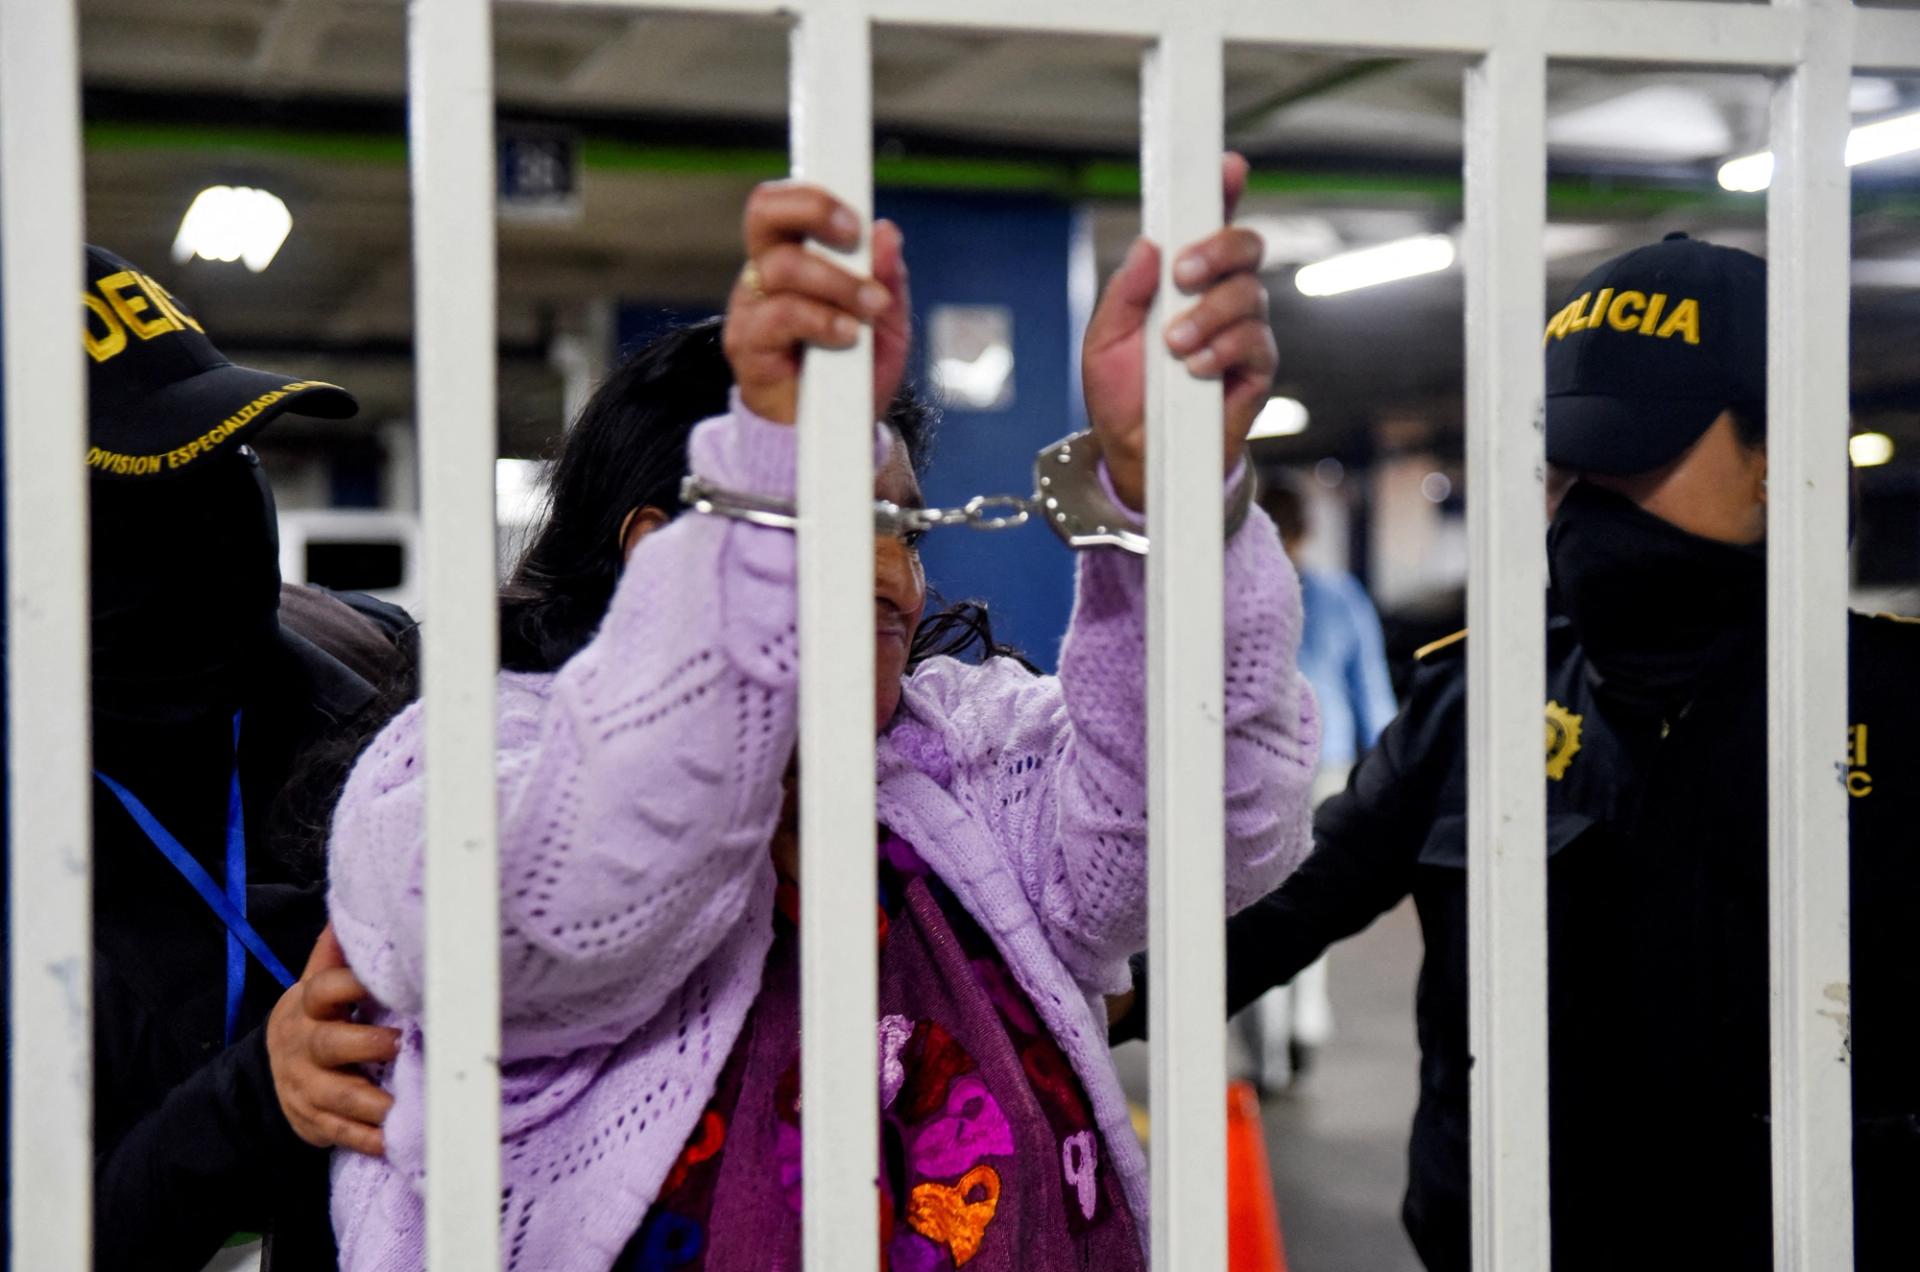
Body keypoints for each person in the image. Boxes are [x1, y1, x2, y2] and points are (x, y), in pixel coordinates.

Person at [321, 157, 1320, 1269]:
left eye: (902, 522)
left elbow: (1207, 830)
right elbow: (581, 907)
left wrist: (1175, 506)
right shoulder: (457, 772)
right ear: (665, 553)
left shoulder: (966, 761)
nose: (889, 565)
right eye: (830, 518)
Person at [1114, 234, 1919, 1270]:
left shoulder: (1896, 718)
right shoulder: (1481, 703)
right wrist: (1013, 977)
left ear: (1779, 457)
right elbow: (1266, 911)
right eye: (1562, 465)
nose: (1583, 503)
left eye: (1631, 455)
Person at [75, 245, 408, 1270]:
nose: (215, 512)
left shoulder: (377, 688)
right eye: (155, 486)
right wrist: (250, 1102)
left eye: (229, 460)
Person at [1234, 480, 1397, 1091]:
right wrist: (1385, 772)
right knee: (1316, 896)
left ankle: (1267, 1054)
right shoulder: (1339, 596)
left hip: (1252, 771)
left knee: (1253, 903)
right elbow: (1371, 688)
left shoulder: (1233, 595)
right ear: (1306, 530)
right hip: (1327, 766)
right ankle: (1306, 1026)